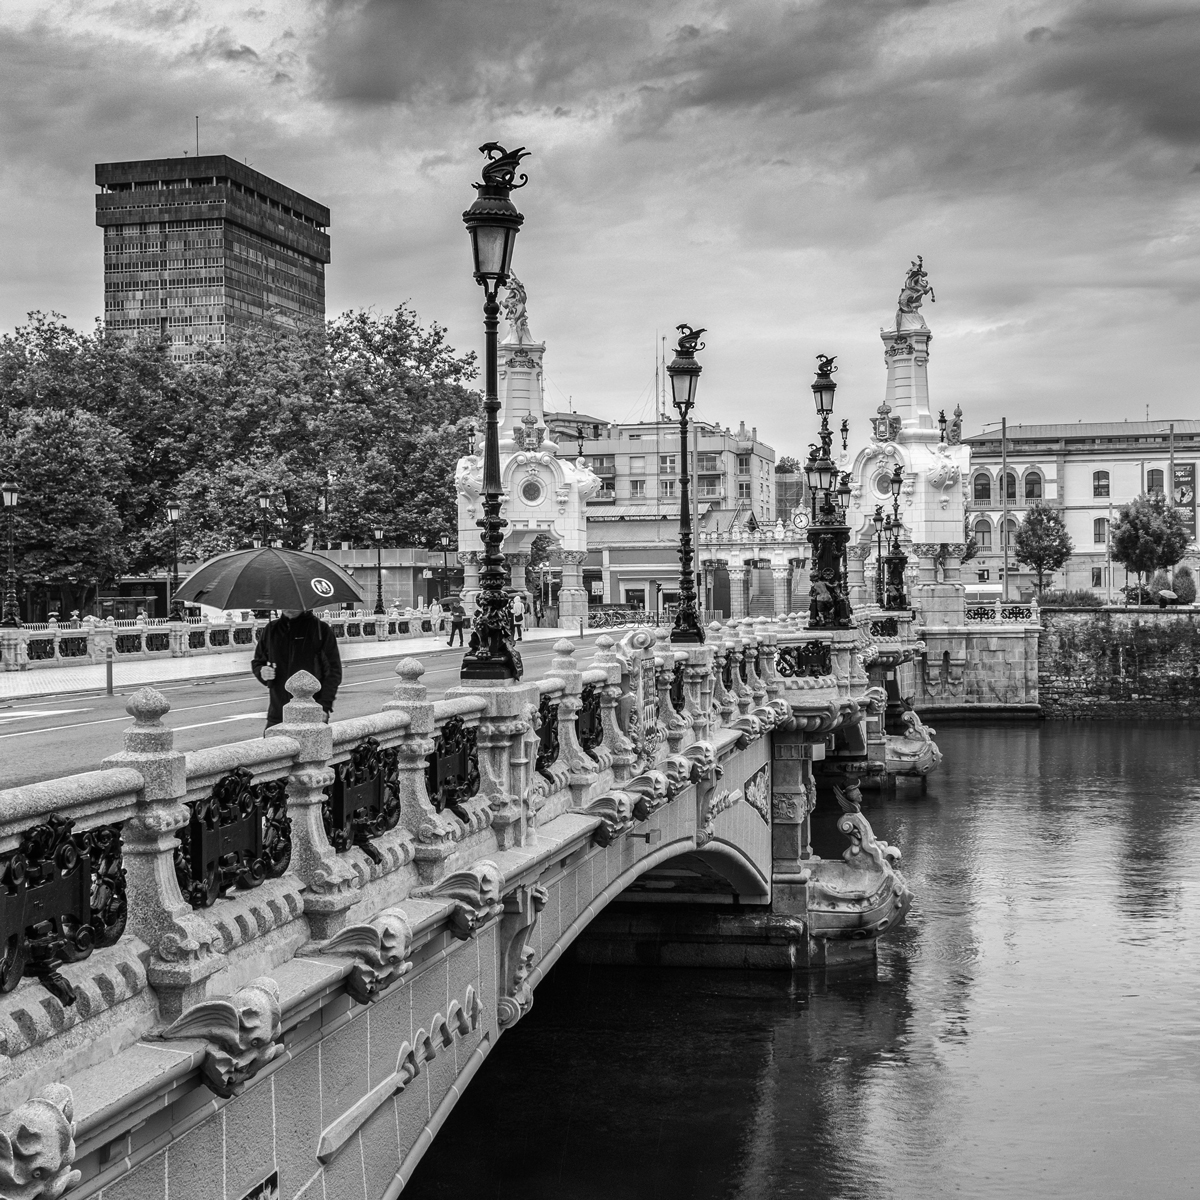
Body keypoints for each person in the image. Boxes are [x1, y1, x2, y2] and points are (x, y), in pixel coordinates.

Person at [251, 607, 343, 728]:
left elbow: (333, 672)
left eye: (293, 603)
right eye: (285, 602)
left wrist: (324, 706)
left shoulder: (320, 629)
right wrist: (262, 671)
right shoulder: (272, 629)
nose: (289, 607)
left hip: (311, 710)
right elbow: (258, 661)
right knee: (273, 745)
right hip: (278, 711)